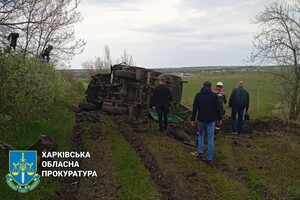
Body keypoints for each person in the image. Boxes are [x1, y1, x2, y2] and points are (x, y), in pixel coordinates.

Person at [191, 81, 222, 165]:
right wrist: (219, 118)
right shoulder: (214, 96)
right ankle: (209, 158)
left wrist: (192, 119)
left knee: (201, 134)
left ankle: (200, 153)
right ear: (210, 87)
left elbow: (195, 108)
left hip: (201, 119)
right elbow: (218, 108)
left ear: (203, 86)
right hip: (211, 119)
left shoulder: (198, 95)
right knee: (210, 138)